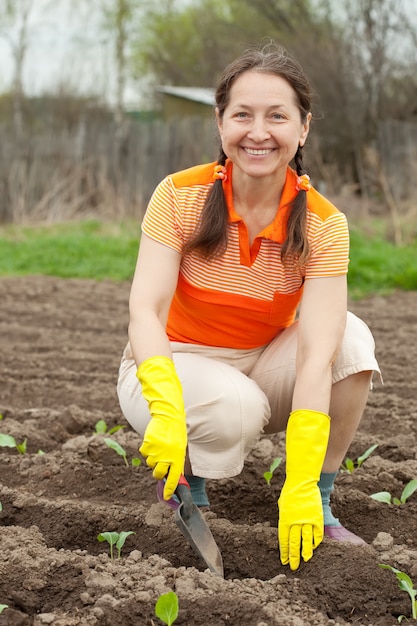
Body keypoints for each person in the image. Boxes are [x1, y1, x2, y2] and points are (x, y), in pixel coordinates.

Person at [117, 41, 381, 571]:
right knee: (232, 406)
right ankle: (187, 477)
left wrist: (302, 480)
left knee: (350, 342)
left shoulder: (324, 225)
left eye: (277, 116)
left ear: (302, 129)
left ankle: (320, 503)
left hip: (262, 362)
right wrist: (167, 409)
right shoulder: (179, 196)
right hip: (173, 362)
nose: (258, 132)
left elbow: (315, 357)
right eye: (243, 115)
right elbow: (145, 310)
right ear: (221, 123)